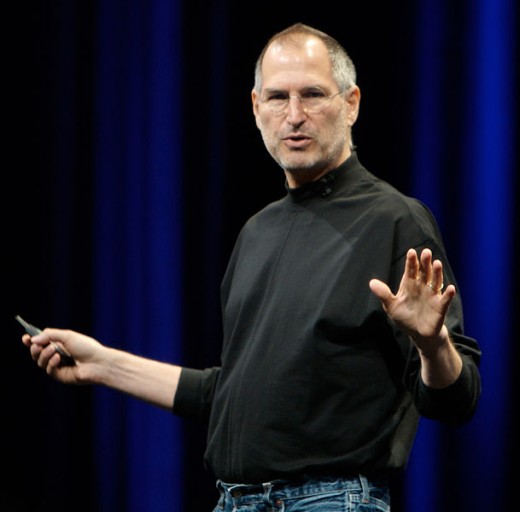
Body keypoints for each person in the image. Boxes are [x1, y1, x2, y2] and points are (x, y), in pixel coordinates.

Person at [22, 23, 481, 511]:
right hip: (235, 501)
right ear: (256, 108)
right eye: (278, 98)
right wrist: (102, 364)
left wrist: (432, 344)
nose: (295, 115)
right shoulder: (257, 232)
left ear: (352, 104)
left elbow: (458, 400)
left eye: (313, 95)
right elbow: (230, 396)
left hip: (329, 500)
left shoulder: (395, 221)